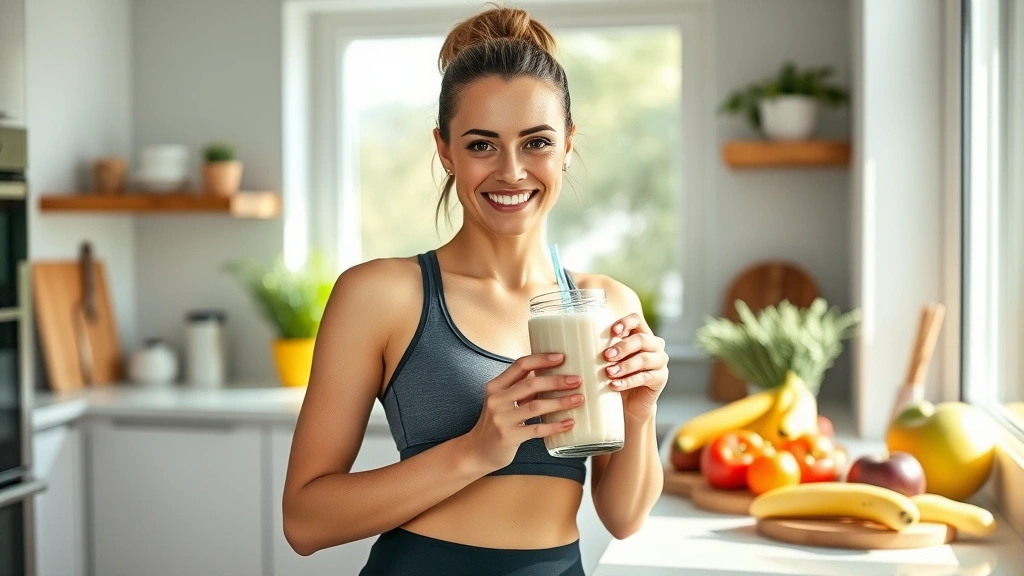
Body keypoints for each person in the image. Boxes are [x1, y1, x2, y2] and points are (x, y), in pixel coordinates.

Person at [282, 6, 669, 575]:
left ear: (567, 145)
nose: (511, 171)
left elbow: (623, 517)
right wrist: (476, 450)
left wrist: (640, 413)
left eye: (536, 142)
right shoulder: (382, 295)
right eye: (482, 145)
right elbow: (304, 521)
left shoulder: (606, 305)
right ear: (445, 149)